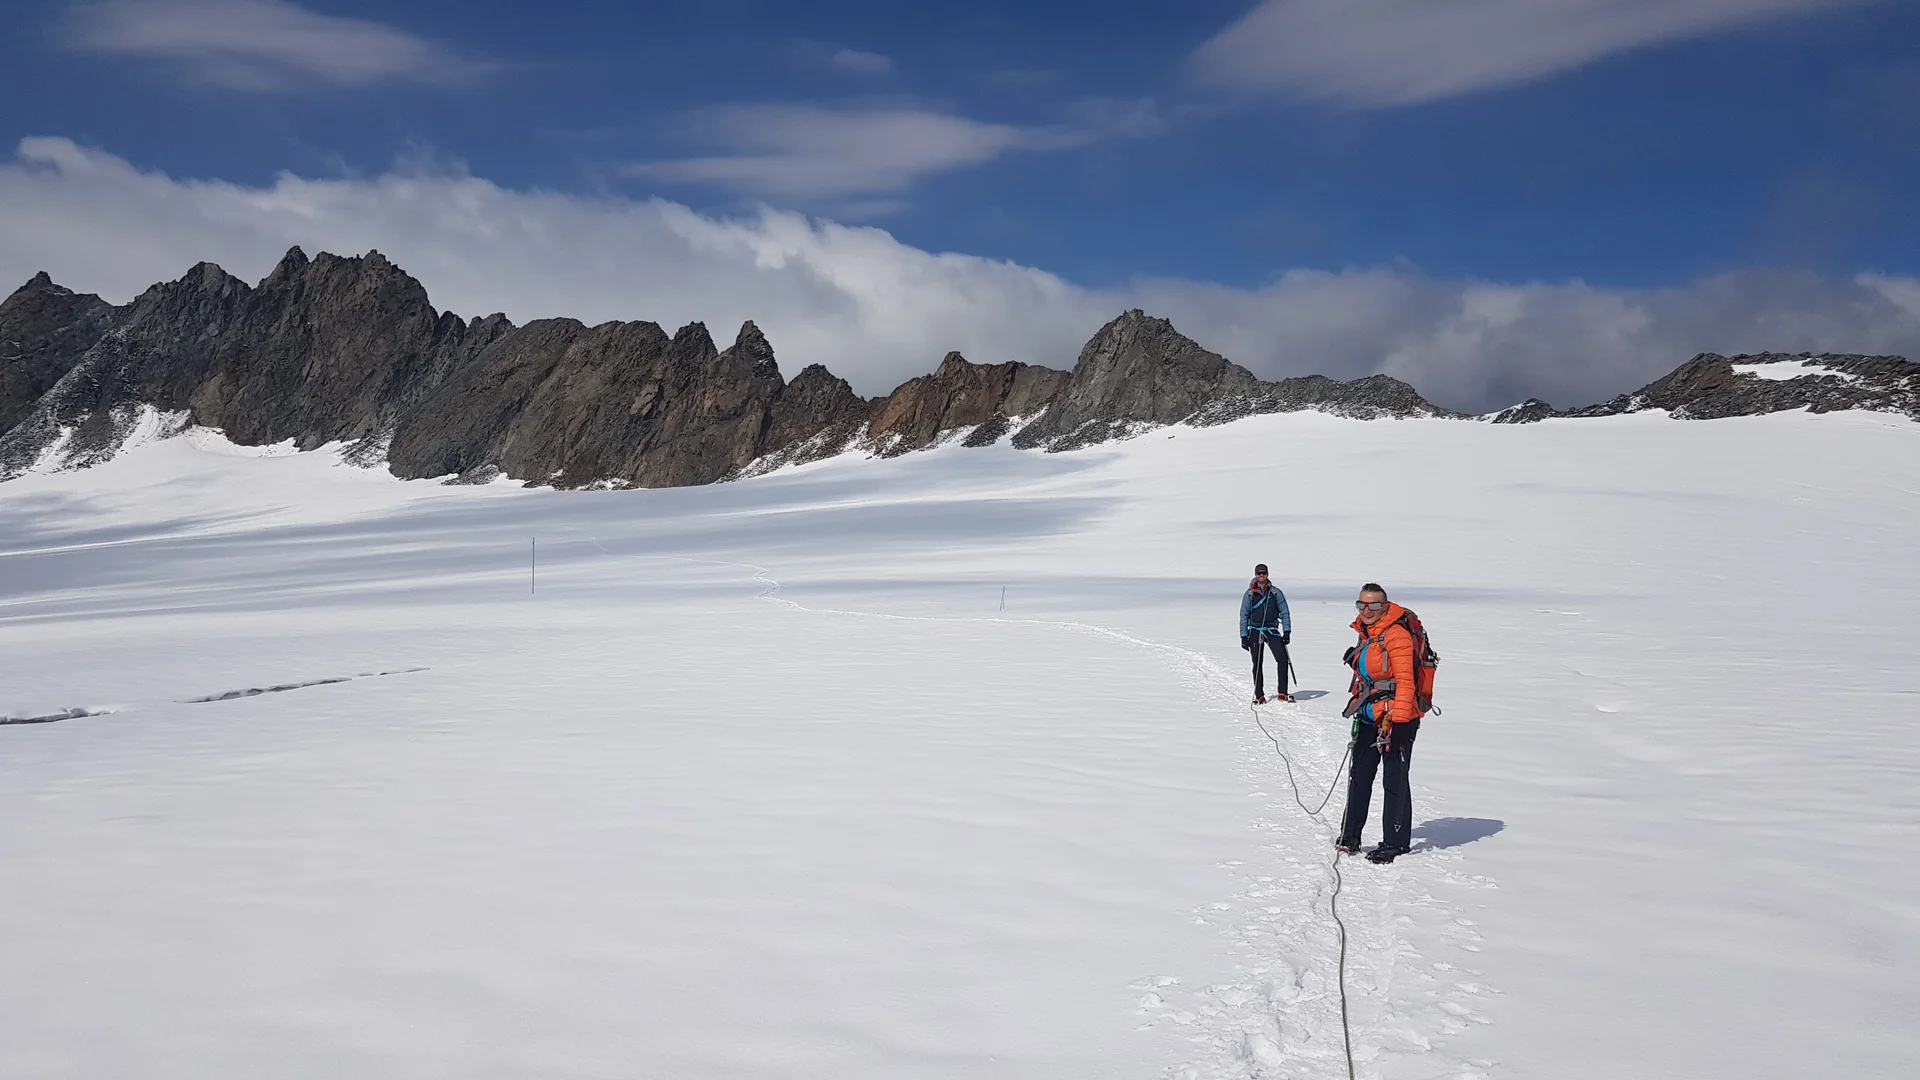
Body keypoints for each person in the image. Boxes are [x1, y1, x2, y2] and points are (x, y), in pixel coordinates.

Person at [1338, 583, 1423, 863]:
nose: (1366, 610)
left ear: (1384, 607)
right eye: (1361, 605)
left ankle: (1395, 842)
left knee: (1394, 778)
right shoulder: (1366, 634)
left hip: (1397, 718)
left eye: (1373, 605)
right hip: (1368, 714)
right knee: (1359, 774)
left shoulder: (1396, 636)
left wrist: (1397, 722)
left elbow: (1406, 681)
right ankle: (1350, 835)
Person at [1239, 563, 1292, 704]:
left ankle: (1283, 692)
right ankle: (1259, 695)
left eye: (1264, 573)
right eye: (1259, 573)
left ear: (1267, 574)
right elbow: (1244, 615)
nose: (1261, 576)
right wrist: (1243, 636)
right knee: (1257, 663)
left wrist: (1287, 632)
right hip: (1255, 630)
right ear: (1255, 575)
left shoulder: (1275, 593)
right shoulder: (1249, 594)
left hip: (1271, 629)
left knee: (1282, 658)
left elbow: (1284, 612)